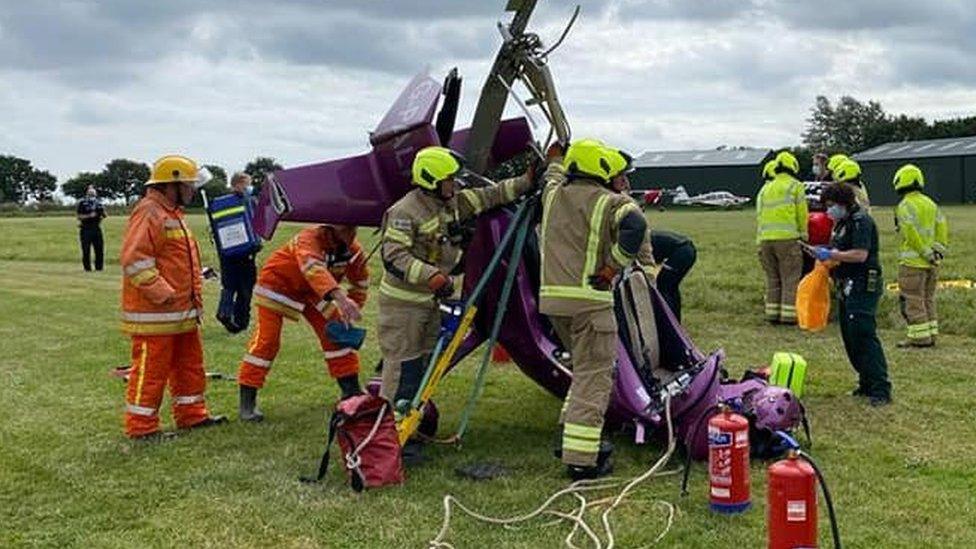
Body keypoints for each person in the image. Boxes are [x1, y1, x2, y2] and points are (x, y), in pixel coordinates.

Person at [378, 146, 538, 415]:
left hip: (433, 303)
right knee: (404, 368)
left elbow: (491, 195)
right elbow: (394, 257)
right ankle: (390, 436)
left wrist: (526, 181)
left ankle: (412, 425)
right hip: (404, 307)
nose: (455, 184)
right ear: (432, 180)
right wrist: (432, 276)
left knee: (428, 364)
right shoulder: (405, 212)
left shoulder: (452, 203)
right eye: (450, 179)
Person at [540, 139, 647, 479]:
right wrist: (613, 267)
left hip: (554, 303)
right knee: (594, 375)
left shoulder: (554, 193)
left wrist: (555, 158)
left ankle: (567, 433)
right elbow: (636, 226)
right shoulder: (609, 201)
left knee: (582, 369)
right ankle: (581, 459)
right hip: (590, 301)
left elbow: (551, 174)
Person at [119, 155, 226, 439]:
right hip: (157, 313)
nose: (192, 191)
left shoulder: (171, 214)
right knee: (151, 370)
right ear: (171, 185)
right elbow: (135, 260)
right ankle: (141, 428)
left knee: (190, 366)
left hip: (181, 312)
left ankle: (192, 416)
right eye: (188, 185)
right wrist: (163, 293)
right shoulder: (150, 212)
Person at [237, 224, 368, 421]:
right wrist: (341, 298)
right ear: (330, 228)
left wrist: (353, 306)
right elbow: (313, 268)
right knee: (268, 341)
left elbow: (361, 282)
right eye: (346, 229)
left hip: (314, 292)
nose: (351, 234)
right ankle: (247, 402)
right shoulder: (309, 238)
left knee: (337, 332)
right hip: (278, 285)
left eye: (353, 229)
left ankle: (351, 390)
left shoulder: (354, 251)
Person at [812, 183, 891, 406]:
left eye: (831, 206)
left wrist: (833, 253)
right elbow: (840, 251)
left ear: (843, 203)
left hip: (863, 283)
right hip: (845, 283)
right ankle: (865, 383)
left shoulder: (861, 221)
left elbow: (859, 255)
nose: (828, 211)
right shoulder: (842, 223)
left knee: (863, 333)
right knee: (850, 336)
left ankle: (880, 388)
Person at [892, 164, 949, 348]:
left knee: (913, 300)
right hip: (932, 263)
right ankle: (932, 335)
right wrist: (937, 252)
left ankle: (919, 338)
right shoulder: (931, 203)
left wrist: (925, 253)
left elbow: (910, 233)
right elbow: (942, 226)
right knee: (928, 299)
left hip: (912, 263)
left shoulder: (904, 205)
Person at [756, 151, 808, 324]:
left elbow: (759, 215)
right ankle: (789, 316)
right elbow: (802, 213)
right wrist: (804, 235)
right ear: (793, 167)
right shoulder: (795, 186)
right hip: (788, 239)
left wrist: (759, 241)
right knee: (790, 279)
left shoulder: (765, 189)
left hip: (765, 240)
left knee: (773, 279)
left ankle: (771, 314)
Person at [215, 172, 260, 333]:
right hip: (245, 253)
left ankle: (224, 312)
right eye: (247, 184)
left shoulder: (221, 204)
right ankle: (241, 322)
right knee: (245, 288)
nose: (249, 187)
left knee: (229, 285)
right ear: (238, 184)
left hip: (226, 253)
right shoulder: (247, 201)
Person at [649, 230, 696, 321]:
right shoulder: (646, 235)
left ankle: (667, 322)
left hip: (681, 252)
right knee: (672, 288)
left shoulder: (638, 242)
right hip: (688, 249)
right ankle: (675, 321)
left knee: (662, 286)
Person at [76, 185, 106, 271]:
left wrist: (102, 214)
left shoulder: (98, 203)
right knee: (86, 249)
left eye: (93, 194)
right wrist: (89, 216)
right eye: (90, 194)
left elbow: (103, 214)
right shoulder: (82, 203)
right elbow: (79, 216)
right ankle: (87, 268)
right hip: (86, 228)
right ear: (87, 194)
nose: (92, 195)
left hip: (96, 227)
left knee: (99, 249)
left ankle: (99, 267)